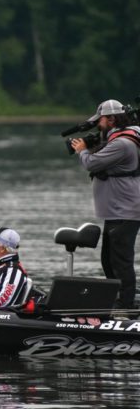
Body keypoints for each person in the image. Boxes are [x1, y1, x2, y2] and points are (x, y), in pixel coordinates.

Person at [71, 99, 140, 309]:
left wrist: (82, 150)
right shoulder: (123, 137)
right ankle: (118, 299)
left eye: (100, 120)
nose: (98, 125)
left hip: (124, 210)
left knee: (121, 262)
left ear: (111, 119)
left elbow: (92, 163)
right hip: (117, 210)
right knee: (109, 260)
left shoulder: (122, 143)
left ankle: (126, 305)